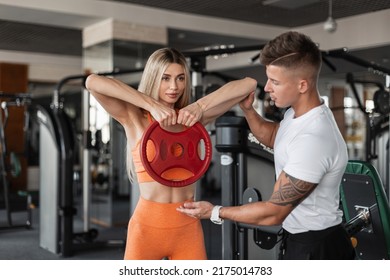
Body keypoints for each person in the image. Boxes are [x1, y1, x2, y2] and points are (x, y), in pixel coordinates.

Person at [177, 31, 356, 260]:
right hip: (298, 238)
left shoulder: (314, 138)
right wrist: (249, 110)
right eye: (268, 79)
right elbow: (274, 137)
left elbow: (273, 213)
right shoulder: (296, 114)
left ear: (302, 85)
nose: (268, 87)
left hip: (318, 247)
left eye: (276, 82)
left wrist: (213, 211)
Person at [85, 47, 257, 260]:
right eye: (165, 78)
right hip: (146, 229)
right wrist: (151, 104)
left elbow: (248, 84)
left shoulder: (193, 121)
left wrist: (199, 106)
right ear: (153, 78)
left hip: (187, 228)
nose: (174, 87)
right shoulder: (135, 117)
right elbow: (92, 82)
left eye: (180, 78)